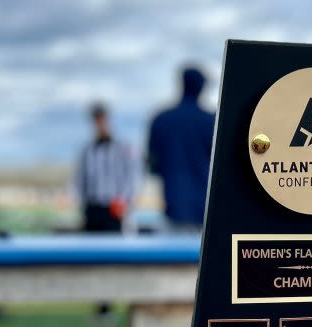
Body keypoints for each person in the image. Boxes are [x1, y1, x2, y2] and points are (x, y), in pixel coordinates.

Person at [147, 66, 214, 230]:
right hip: (204, 210)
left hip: (173, 208)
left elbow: (152, 164)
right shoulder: (212, 121)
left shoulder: (161, 120)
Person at [74, 103, 139, 233]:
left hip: (114, 207)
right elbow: (80, 178)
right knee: (91, 247)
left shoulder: (123, 148)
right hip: (92, 207)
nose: (99, 123)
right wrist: (82, 202)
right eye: (96, 119)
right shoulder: (87, 150)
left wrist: (124, 200)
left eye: (102, 118)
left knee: (114, 247)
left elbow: (132, 176)